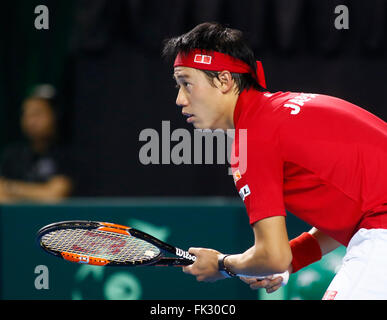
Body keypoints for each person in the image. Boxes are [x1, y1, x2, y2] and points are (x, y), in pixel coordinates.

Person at [162, 22, 387, 299]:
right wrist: (291, 259)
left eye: (186, 84)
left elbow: (272, 255)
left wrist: (222, 265)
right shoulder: (282, 111)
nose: (179, 99)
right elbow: (354, 211)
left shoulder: (253, 139)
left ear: (224, 80)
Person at [0, 84, 73, 203]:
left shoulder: (67, 154)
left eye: (37, 114)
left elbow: (54, 195)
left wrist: (11, 187)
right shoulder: (12, 154)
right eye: (26, 114)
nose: (30, 121)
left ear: (54, 115)